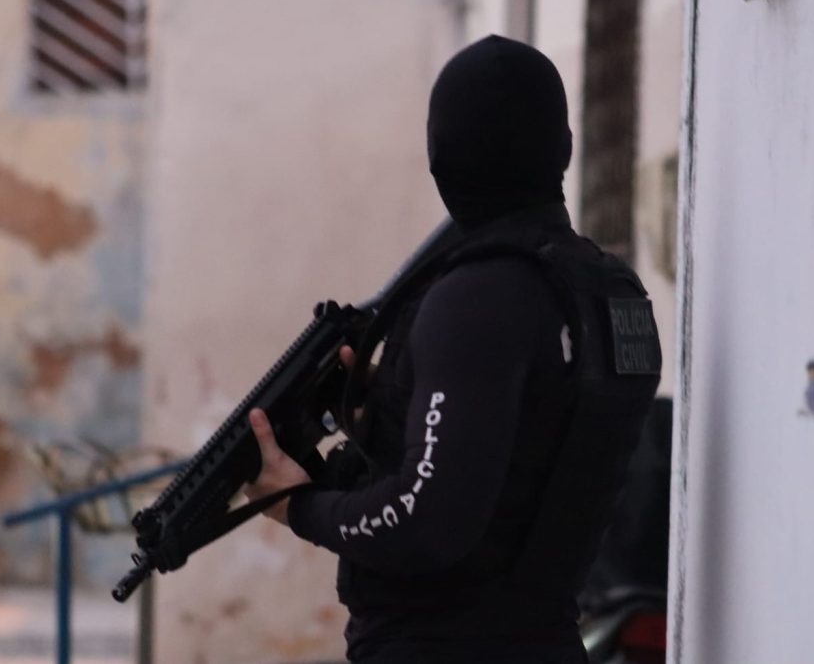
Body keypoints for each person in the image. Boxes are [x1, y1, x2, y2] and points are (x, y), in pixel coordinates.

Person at [244, 35, 661, 664]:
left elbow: (427, 521)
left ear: (439, 157)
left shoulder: (477, 296)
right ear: (566, 148)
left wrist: (297, 506)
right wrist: (389, 411)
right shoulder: (615, 295)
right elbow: (530, 449)